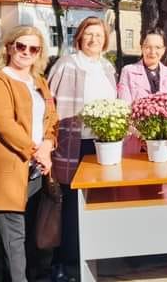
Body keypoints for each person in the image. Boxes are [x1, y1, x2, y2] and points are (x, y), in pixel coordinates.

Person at [0, 26, 58, 282]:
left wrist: (47, 144)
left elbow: (51, 119)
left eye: (33, 49)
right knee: (15, 239)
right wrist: (36, 151)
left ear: (39, 54)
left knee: (31, 235)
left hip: (34, 171)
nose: (26, 52)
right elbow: (4, 125)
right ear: (9, 47)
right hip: (8, 170)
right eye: (21, 46)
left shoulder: (39, 82)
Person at [47, 16, 116, 282]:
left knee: (97, 204)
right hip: (73, 144)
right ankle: (63, 263)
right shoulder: (67, 64)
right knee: (71, 206)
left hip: (103, 145)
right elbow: (50, 107)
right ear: (79, 37)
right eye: (89, 34)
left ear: (105, 40)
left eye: (99, 35)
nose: (93, 39)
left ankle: (92, 257)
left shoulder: (107, 67)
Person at [118, 27, 167, 152]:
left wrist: (162, 133)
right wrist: (144, 135)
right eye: (148, 47)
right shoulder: (128, 71)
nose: (152, 51)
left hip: (165, 141)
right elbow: (124, 108)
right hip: (136, 141)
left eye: (158, 47)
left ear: (164, 50)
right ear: (142, 47)